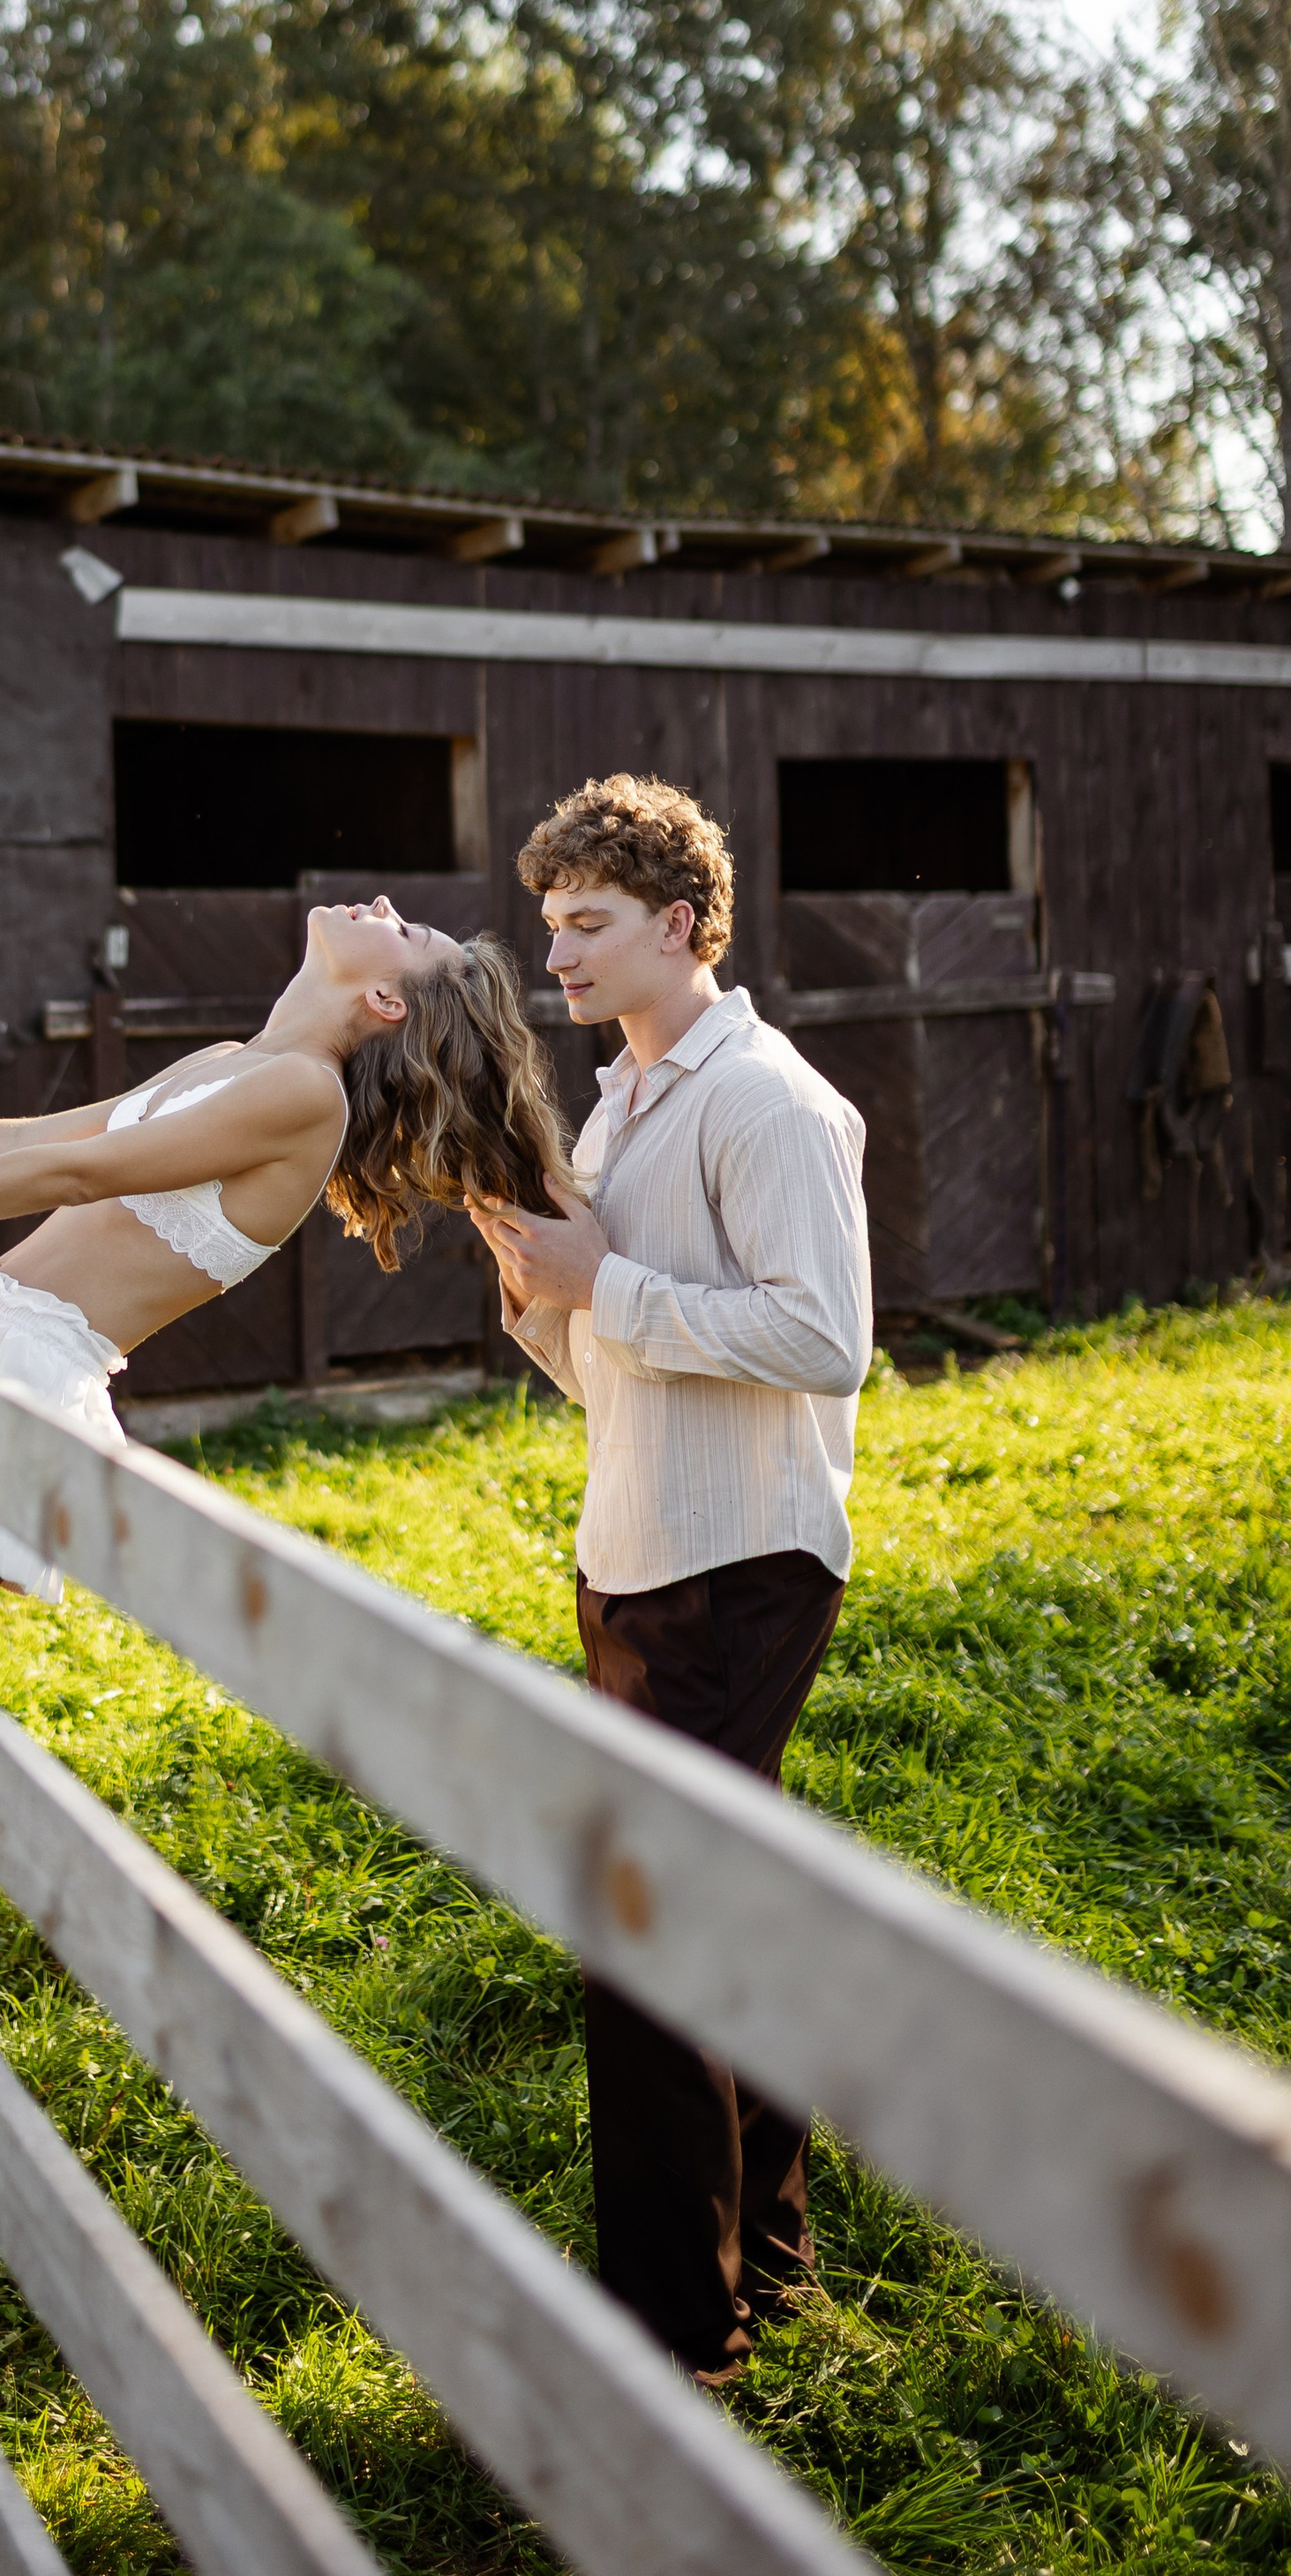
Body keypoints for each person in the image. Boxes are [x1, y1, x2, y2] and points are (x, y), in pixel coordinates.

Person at [0, 892, 567, 1671]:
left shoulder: (305, 1096)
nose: (384, 906)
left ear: (386, 1001)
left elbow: (76, 1173)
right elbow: (32, 1135)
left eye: (407, 931)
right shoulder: (231, 1060)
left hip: (24, 1377)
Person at [469, 774, 870, 2386]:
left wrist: (606, 1284)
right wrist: (542, 1298)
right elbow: (616, 1367)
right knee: (720, 1918)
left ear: (681, 928)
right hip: (632, 1554)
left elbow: (825, 1339)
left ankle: (669, 2339)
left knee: (643, 1941)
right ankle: (765, 2267)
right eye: (549, 923)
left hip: (738, 1567)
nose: (555, 954)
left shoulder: (765, 1101)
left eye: (588, 925)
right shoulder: (625, 1102)